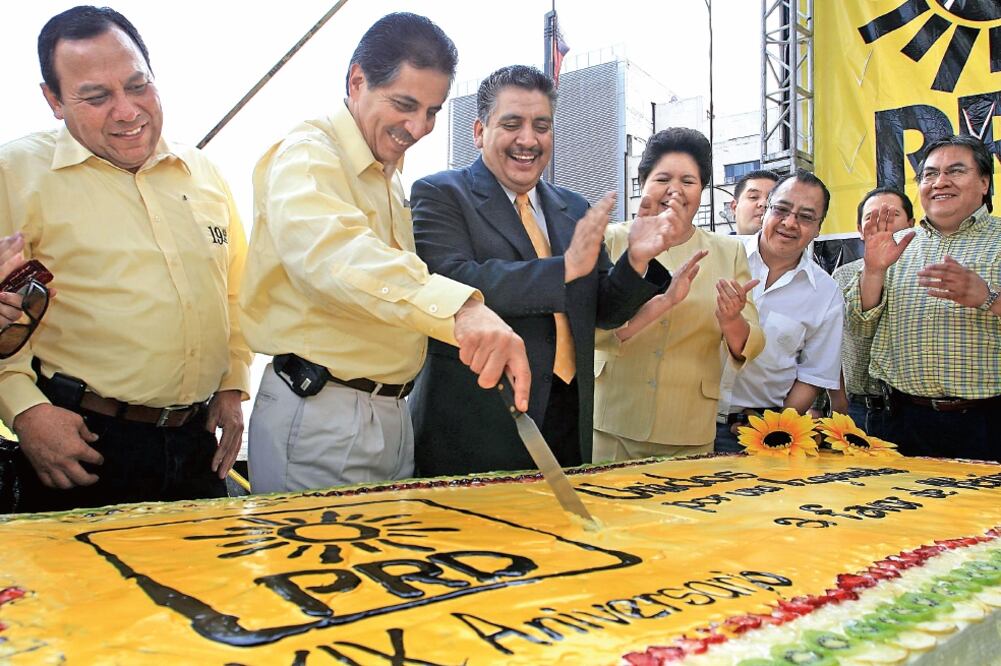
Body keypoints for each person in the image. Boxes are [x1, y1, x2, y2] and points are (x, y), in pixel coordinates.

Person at [240, 14, 530, 494]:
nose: (419, 127)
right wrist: (462, 309)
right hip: (323, 415)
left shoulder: (388, 174)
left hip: (392, 415)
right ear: (357, 80)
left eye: (433, 111)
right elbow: (337, 256)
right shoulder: (308, 156)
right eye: (404, 104)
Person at [0, 6, 252, 512]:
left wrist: (232, 384)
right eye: (96, 96)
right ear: (53, 100)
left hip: (197, 446)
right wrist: (24, 411)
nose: (127, 111)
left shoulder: (200, 171)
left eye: (138, 86)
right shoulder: (14, 174)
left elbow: (234, 290)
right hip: (82, 448)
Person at [409, 65, 675, 476]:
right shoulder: (440, 193)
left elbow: (601, 309)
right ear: (479, 131)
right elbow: (452, 282)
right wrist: (565, 268)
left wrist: (635, 260)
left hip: (568, 416)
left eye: (541, 126)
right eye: (512, 124)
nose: (528, 140)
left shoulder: (574, 207)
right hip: (476, 422)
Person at [592, 128, 764, 461]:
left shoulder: (728, 251)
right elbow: (591, 332)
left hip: (689, 428)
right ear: (642, 184)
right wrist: (662, 302)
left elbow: (751, 342)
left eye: (688, 181)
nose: (675, 190)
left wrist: (731, 320)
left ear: (702, 190)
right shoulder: (612, 239)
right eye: (662, 179)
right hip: (611, 424)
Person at [846, 134, 1000, 460]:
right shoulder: (896, 243)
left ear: (984, 182)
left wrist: (989, 298)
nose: (939, 182)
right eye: (929, 174)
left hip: (987, 422)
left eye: (955, 171)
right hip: (899, 421)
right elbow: (858, 326)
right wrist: (873, 271)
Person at [715, 170, 844, 452]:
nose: (789, 223)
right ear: (766, 210)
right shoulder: (720, 254)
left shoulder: (825, 293)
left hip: (758, 433)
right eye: (782, 210)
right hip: (687, 423)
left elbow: (813, 376)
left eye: (806, 216)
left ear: (819, 227)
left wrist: (771, 429)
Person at [826, 187, 915, 431]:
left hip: (914, 408)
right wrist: (836, 401)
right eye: (871, 217)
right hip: (861, 408)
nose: (882, 222)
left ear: (911, 223)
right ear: (859, 229)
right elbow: (831, 342)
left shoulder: (926, 271)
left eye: (892, 215)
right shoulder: (842, 275)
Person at [729, 169, 779, 235]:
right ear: (734, 207)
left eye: (771, 199)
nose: (764, 204)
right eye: (754, 197)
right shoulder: (716, 245)